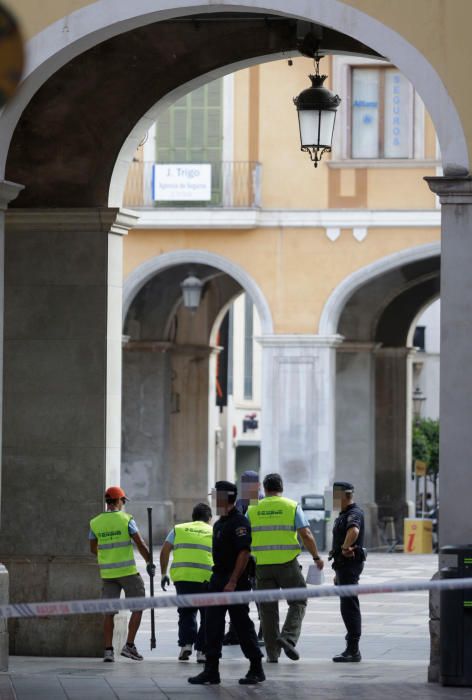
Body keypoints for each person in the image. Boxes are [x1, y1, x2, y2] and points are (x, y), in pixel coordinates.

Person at [188, 481, 265, 686]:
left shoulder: (239, 522)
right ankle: (211, 670)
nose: (212, 500)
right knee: (212, 625)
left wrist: (232, 580)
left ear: (224, 498)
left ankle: (256, 668)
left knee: (241, 625)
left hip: (235, 581)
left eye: (215, 496)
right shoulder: (220, 523)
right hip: (218, 578)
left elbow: (244, 552)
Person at [247, 473, 324, 663]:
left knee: (268, 609)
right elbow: (306, 534)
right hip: (287, 564)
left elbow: (245, 537)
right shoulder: (291, 506)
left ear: (265, 489)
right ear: (281, 488)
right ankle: (288, 637)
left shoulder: (252, 510)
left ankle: (272, 655)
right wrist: (316, 557)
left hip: (262, 566)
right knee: (298, 600)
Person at [89, 486, 155, 662]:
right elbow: (140, 543)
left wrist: (107, 557)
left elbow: (93, 548)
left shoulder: (95, 522)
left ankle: (108, 651)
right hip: (127, 572)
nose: (124, 504)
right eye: (123, 501)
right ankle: (129, 646)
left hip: (108, 573)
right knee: (138, 606)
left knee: (109, 612)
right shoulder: (126, 520)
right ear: (118, 501)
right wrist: (149, 561)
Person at [160, 502, 213, 663]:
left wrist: (163, 574)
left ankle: (186, 645)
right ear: (209, 518)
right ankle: (202, 652)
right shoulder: (214, 530)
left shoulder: (179, 529)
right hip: (206, 578)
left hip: (183, 578)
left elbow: (165, 550)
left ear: (193, 517)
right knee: (207, 615)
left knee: (186, 612)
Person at [223, 469, 263, 647]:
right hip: (246, 556)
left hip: (255, 557)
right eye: (244, 483)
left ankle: (263, 632)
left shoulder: (257, 502)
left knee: (259, 597)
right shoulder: (242, 501)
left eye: (248, 483)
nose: (245, 486)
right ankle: (235, 633)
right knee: (241, 596)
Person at [329, 481, 365, 663]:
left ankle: (353, 649)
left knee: (349, 605)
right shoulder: (344, 514)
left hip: (350, 565)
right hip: (344, 566)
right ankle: (351, 648)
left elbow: (354, 531)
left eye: (334, 496)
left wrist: (344, 548)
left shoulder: (353, 513)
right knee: (347, 604)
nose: (332, 500)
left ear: (343, 495)